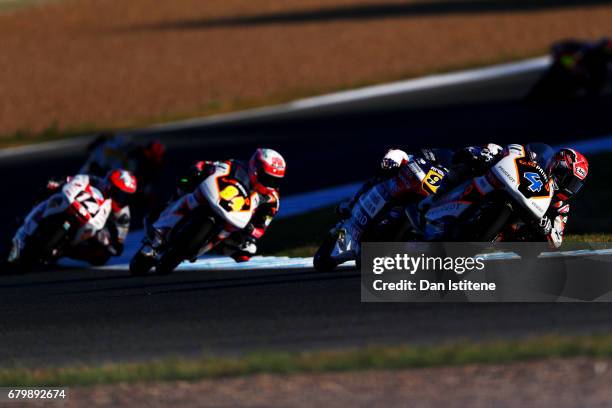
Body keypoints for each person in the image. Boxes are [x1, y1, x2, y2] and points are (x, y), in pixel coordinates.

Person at [339, 143, 588, 248]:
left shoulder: (560, 209)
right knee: (470, 161)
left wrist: (545, 226)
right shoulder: (534, 163)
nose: (568, 187)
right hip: (494, 190)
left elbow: (557, 240)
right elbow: (507, 150)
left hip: (503, 235)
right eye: (567, 178)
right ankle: (430, 201)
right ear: (556, 165)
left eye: (574, 185)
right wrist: (488, 152)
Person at [145, 148, 286, 262]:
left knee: (247, 251)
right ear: (255, 168)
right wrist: (199, 169)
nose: (270, 184)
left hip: (235, 221)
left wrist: (251, 233)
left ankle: (206, 247)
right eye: (267, 178)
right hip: (213, 196)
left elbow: (262, 227)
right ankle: (161, 225)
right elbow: (208, 165)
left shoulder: (272, 200)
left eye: (275, 181)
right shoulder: (235, 165)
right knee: (186, 185)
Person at [8, 169, 137, 266]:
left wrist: (114, 243)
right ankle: (27, 223)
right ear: (109, 184)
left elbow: (120, 240)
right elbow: (72, 179)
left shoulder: (123, 212)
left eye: (125, 195)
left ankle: (67, 250)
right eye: (118, 192)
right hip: (75, 206)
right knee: (49, 193)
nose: (121, 198)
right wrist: (58, 182)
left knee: (103, 252)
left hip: (95, 225)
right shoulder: (95, 181)